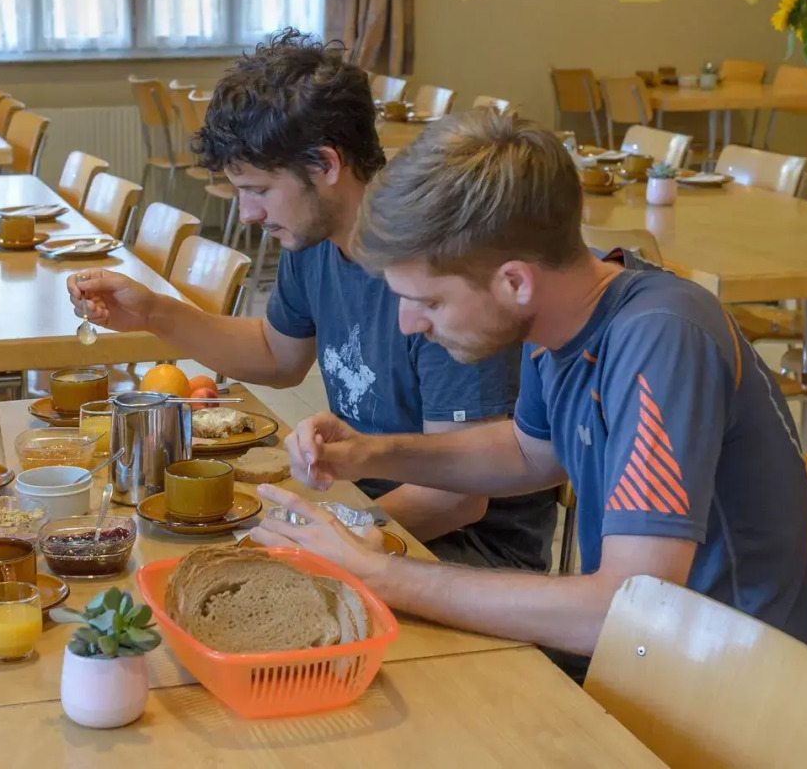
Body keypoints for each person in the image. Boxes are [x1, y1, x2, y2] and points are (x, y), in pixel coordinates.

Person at [250, 108, 807, 669]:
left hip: (721, 691)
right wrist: (375, 452)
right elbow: (529, 452)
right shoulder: (564, 313)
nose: (408, 323)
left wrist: (383, 573)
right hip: (648, 656)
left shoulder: (661, 340)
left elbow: (625, 610)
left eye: (430, 301)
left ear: (515, 281)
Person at [70, 32, 556, 571]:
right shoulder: (313, 237)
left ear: (326, 166)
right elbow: (278, 357)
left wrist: (307, 543)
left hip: (464, 554)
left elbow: (454, 499)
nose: (248, 214)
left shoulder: (438, 272)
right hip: (361, 507)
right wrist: (154, 312)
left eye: (258, 189)